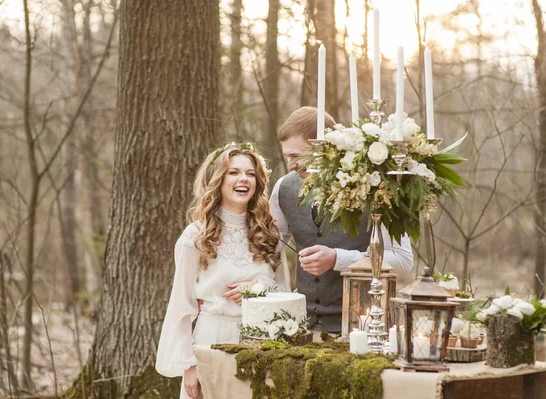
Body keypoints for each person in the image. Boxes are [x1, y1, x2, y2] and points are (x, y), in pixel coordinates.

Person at [156, 143, 289, 399]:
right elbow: (180, 305)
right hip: (211, 341)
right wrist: (189, 366)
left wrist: (261, 289)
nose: (243, 179)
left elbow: (284, 293)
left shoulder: (270, 234)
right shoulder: (196, 236)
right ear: (219, 180)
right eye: (233, 172)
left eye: (250, 173)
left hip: (261, 346)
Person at [270, 106, 414, 334]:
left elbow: (403, 260)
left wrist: (338, 258)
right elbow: (267, 246)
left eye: (295, 156)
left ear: (324, 147)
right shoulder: (284, 188)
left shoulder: (375, 187)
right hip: (300, 328)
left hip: (363, 328)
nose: (291, 164)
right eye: (287, 156)